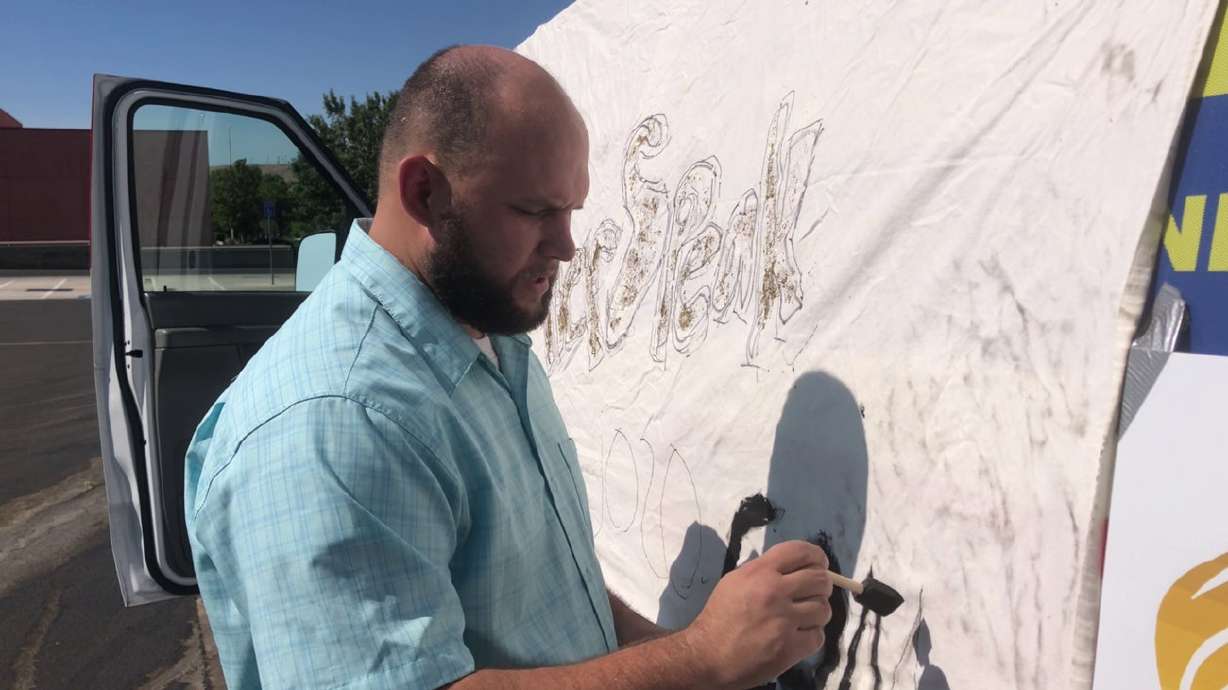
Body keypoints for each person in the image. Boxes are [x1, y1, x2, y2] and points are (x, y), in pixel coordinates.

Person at [183, 44, 833, 690]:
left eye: (572, 210)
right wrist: (701, 659)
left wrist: (677, 657)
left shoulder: (489, 330)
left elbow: (547, 591)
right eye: (534, 212)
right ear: (425, 192)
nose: (568, 246)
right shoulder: (332, 425)